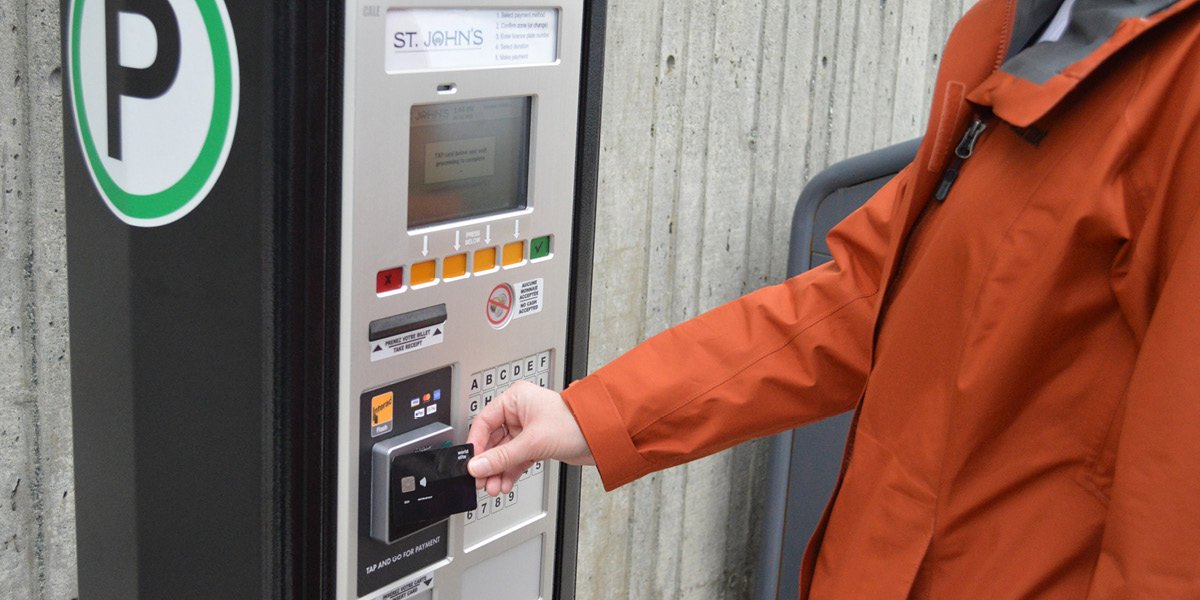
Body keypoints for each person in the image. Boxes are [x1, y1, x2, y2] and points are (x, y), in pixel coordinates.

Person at [468, 0, 1200, 596]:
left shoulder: (1179, 83)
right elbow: (857, 299)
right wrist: (596, 415)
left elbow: (1174, 530)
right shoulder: (1022, 28)